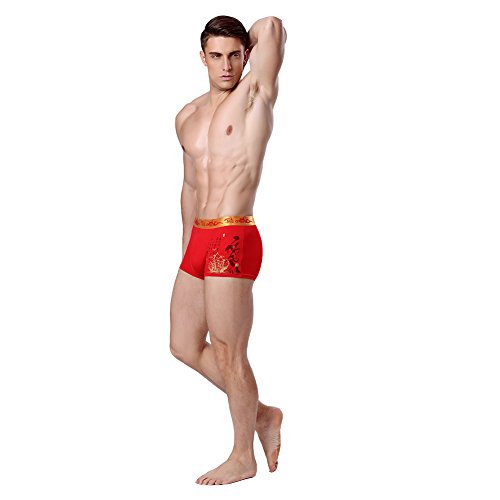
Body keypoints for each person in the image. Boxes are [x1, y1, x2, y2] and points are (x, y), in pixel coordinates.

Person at [169, 14, 287, 486]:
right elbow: (189, 187)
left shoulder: (256, 93)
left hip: (233, 236)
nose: (225, 65)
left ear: (245, 56)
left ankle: (243, 456)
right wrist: (186, 252)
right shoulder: (187, 116)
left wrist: (247, 44)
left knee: (229, 350)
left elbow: (272, 25)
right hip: (199, 238)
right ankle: (262, 414)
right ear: (201, 58)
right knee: (182, 344)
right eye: (215, 55)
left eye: (234, 55)